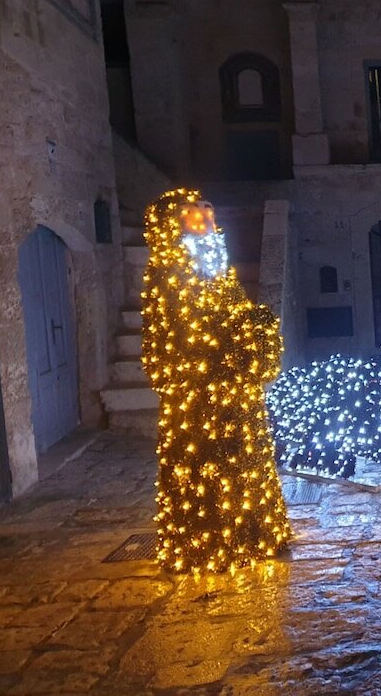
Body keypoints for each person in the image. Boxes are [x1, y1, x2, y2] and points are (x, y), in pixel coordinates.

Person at [142, 188, 291, 572]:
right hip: (198, 405)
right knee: (205, 473)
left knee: (243, 469)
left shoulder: (221, 274)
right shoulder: (168, 279)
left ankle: (256, 534)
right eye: (194, 213)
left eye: (209, 210)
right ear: (174, 226)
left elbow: (237, 316)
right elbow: (169, 345)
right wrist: (227, 347)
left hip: (236, 397)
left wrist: (255, 333)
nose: (206, 217)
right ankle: (208, 544)